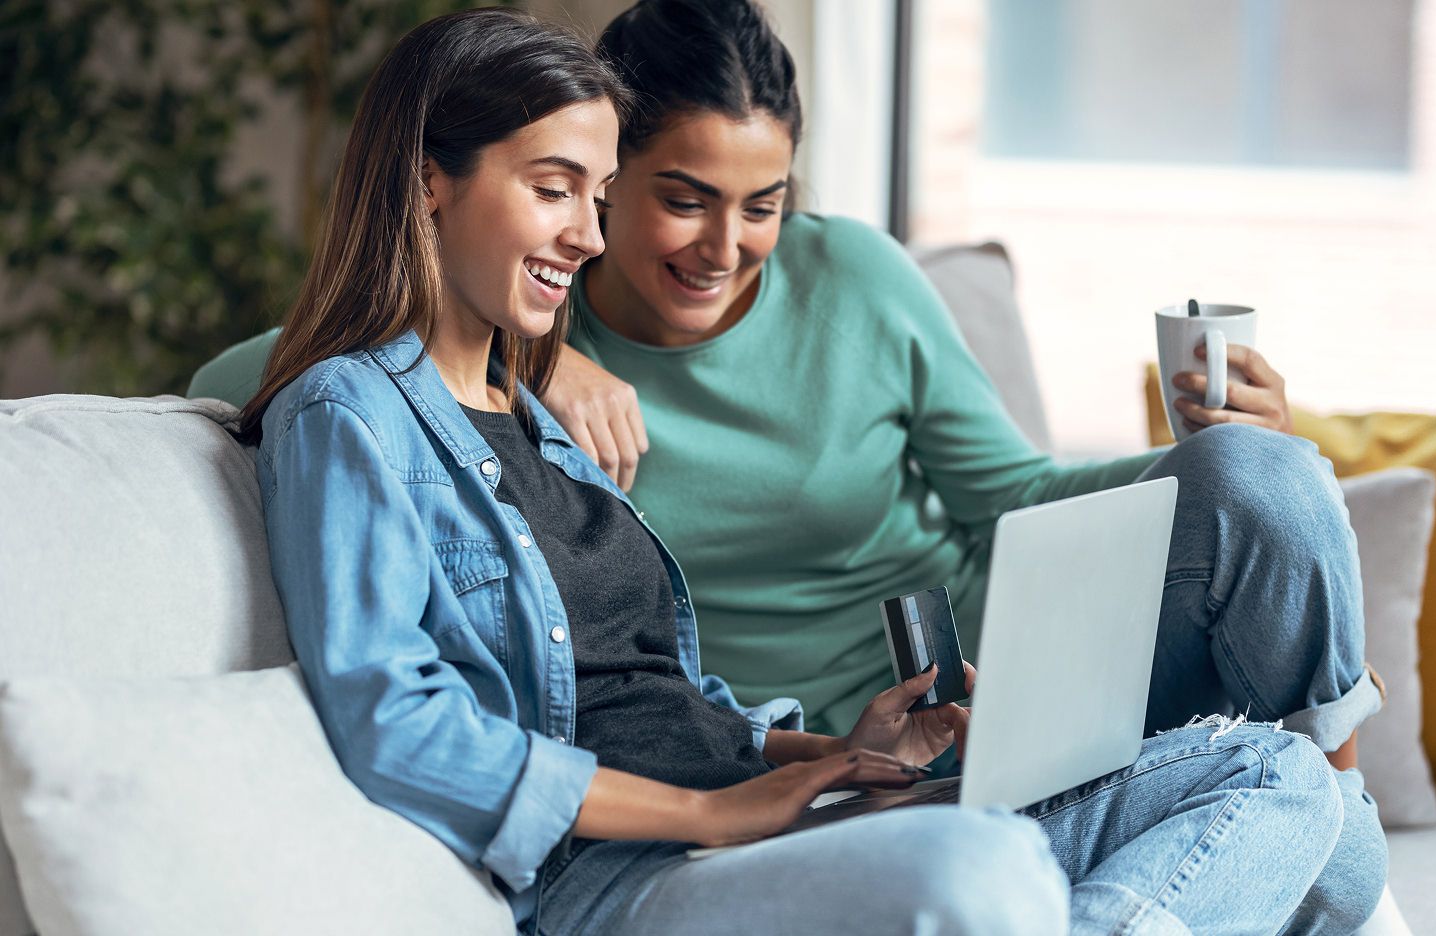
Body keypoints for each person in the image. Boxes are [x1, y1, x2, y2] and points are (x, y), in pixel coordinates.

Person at [236, 7, 1375, 934]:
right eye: (560, 189)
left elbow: (659, 694)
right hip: (632, 863)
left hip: (793, 789)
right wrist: (714, 810)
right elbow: (398, 722)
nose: (584, 235)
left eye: (589, 194)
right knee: (981, 875)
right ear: (429, 181)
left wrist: (835, 755)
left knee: (1282, 778)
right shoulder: (356, 414)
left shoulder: (534, 423)